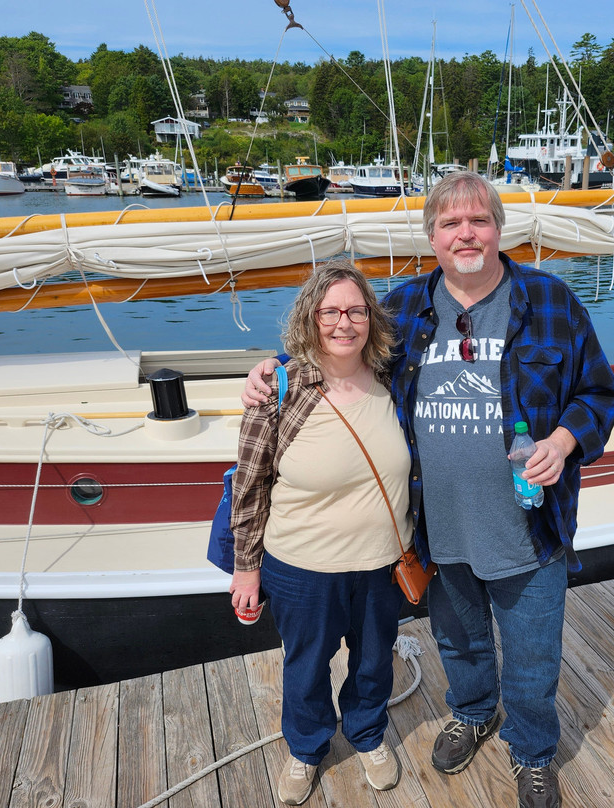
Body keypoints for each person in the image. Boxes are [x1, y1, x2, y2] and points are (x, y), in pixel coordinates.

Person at [243, 172, 614, 808]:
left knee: (532, 659)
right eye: (450, 224)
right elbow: (340, 343)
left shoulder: (551, 301)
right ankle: (473, 712)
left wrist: (562, 442)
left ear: (499, 229)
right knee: (461, 642)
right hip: (436, 530)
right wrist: (274, 369)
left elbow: (599, 392)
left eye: (478, 220)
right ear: (433, 237)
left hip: (528, 528)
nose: (465, 233)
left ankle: (531, 752)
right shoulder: (407, 307)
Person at [230, 258, 412, 806]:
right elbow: (249, 483)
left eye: (356, 310)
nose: (343, 323)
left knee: (375, 660)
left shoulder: (392, 379)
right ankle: (306, 749)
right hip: (302, 566)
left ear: (371, 319)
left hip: (382, 562)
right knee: (305, 666)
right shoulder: (281, 388)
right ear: (310, 318)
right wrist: (246, 566)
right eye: (330, 311)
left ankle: (367, 734)